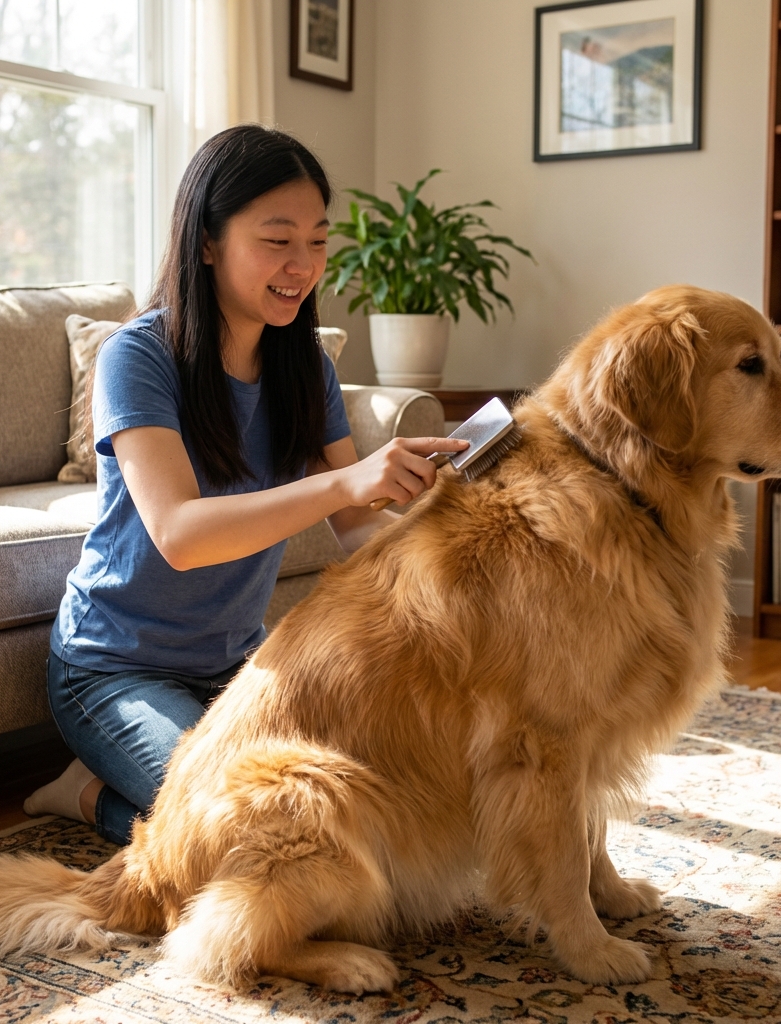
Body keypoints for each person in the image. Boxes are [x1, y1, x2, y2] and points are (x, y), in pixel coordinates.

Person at [23, 125, 467, 844]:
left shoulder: (306, 369)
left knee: (369, 804)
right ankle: (84, 794)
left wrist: (437, 517)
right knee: (247, 831)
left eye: (319, 241)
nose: (303, 265)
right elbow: (180, 535)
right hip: (113, 671)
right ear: (206, 242)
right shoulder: (137, 356)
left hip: (240, 668)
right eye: (277, 239)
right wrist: (344, 485)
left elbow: (359, 532)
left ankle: (127, 789)